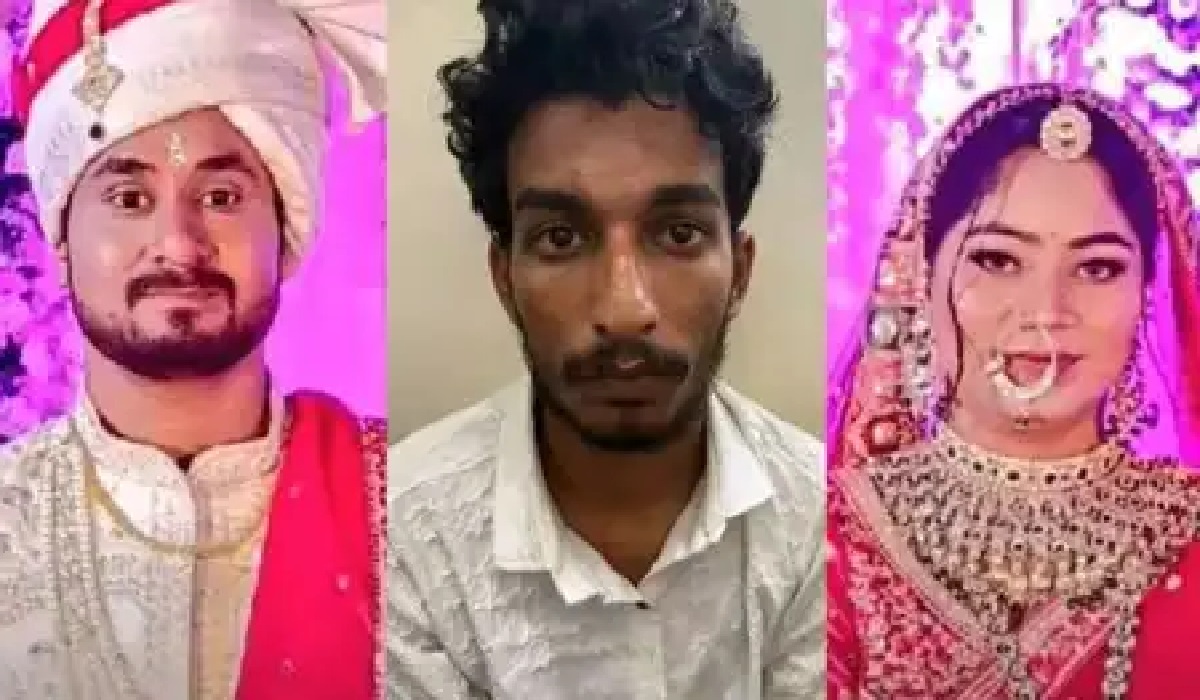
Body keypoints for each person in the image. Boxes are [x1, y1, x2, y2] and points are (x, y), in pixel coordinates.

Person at [387, 0, 824, 698]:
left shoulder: (822, 524)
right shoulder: (403, 533)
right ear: (505, 279)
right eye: (561, 238)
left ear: (740, 272)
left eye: (677, 234)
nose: (625, 311)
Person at [0, 0, 387, 698]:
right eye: (128, 199)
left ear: (287, 228)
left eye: (220, 196)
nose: (179, 245)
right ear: (61, 239)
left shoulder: (414, 512)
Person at [826, 82, 1200, 699]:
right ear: (921, 275)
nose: (1046, 312)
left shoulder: (1186, 533)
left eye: (1098, 268)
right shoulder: (830, 538)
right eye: (998, 261)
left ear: (1145, 296)